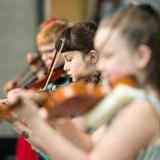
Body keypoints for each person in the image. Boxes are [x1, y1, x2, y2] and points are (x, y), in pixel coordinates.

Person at [10, 4, 160, 160]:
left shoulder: (143, 109)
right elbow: (89, 145)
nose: (100, 65)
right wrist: (60, 118)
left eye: (108, 55)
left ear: (141, 57)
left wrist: (35, 120)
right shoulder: (133, 103)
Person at [6, 21, 100, 160]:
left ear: (92, 57)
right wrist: (17, 124)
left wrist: (39, 118)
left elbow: (61, 151)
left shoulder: (94, 96)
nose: (66, 67)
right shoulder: (83, 91)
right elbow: (51, 149)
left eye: (69, 59)